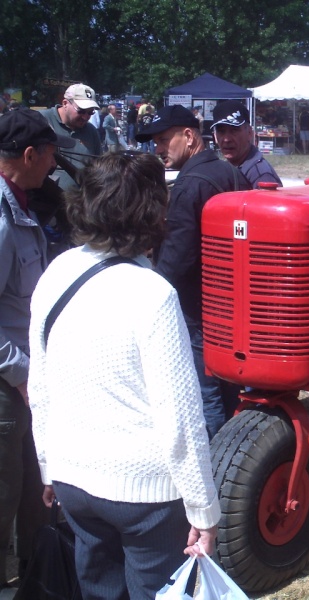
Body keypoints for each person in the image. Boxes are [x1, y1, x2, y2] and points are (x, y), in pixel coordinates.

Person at [27, 152, 220, 599]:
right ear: (155, 211)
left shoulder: (57, 271)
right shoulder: (153, 294)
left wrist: (47, 467)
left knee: (99, 590)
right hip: (145, 495)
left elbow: (41, 384)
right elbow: (181, 422)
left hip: (73, 477)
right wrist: (204, 512)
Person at [136, 105, 247, 438]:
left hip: (198, 310)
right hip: (229, 304)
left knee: (205, 395)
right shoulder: (228, 172)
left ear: (188, 136)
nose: (157, 149)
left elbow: (176, 262)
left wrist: (147, 293)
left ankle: (214, 469)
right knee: (229, 390)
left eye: (162, 139)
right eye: (154, 141)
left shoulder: (190, 185)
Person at [0, 108, 75, 590]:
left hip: (19, 384)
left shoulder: (21, 202)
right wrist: (22, 375)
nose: (54, 165)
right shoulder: (3, 219)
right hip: (8, 388)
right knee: (7, 500)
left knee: (32, 499)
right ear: (30, 155)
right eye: (50, 156)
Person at [38, 83, 103, 191]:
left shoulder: (91, 131)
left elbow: (99, 167)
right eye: (81, 111)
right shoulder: (41, 120)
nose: (86, 117)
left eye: (90, 112)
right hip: (43, 201)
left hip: (80, 201)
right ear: (65, 103)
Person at [211, 100, 282, 188]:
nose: (226, 139)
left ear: (249, 133)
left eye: (234, 131)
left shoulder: (261, 175)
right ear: (215, 136)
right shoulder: (227, 168)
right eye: (221, 131)